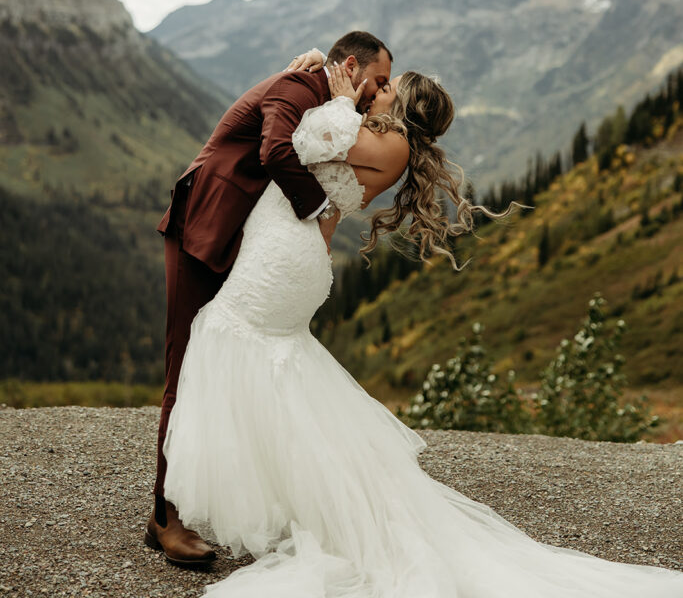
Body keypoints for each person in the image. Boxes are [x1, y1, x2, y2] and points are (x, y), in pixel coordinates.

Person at [161, 60, 683, 596]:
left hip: (285, 257)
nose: (377, 91)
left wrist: (328, 93)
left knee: (234, 342)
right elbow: (328, 198)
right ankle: (282, 498)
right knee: (272, 367)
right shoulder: (382, 142)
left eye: (387, 87)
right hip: (293, 252)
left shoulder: (386, 145)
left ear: (403, 105)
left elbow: (299, 142)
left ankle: (256, 503)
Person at [146, 32, 392, 565]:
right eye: (376, 82)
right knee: (184, 366)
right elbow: (276, 151)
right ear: (350, 66)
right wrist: (317, 212)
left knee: (218, 362)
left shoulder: (321, 92)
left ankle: (189, 500)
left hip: (241, 235)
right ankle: (165, 517)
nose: (378, 94)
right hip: (203, 225)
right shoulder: (295, 86)